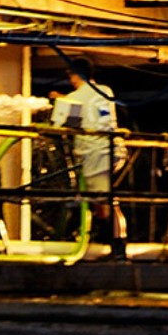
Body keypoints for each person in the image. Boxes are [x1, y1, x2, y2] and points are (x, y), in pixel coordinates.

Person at [53, 58, 125, 244]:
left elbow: (66, 124)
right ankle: (109, 239)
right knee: (104, 197)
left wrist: (60, 101)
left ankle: (114, 243)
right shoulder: (105, 90)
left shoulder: (74, 98)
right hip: (115, 149)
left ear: (75, 75)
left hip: (95, 152)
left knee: (103, 200)